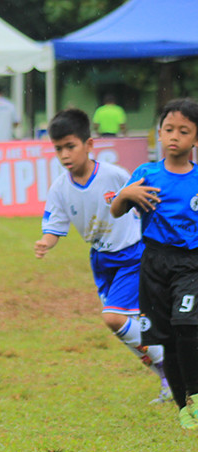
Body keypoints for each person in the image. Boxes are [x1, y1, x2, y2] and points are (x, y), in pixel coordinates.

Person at [35, 108, 170, 403]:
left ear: (89, 145)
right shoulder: (60, 188)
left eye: (70, 146)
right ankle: (167, 379)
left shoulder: (114, 175)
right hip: (101, 259)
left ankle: (173, 362)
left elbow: (145, 201)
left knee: (113, 319)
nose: (65, 155)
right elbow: (55, 225)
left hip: (132, 254)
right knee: (128, 329)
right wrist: (46, 242)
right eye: (58, 149)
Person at [110, 98, 198, 429]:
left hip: (190, 262)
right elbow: (116, 211)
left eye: (184, 131)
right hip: (154, 261)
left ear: (196, 139)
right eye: (168, 129)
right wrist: (125, 196)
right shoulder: (145, 175)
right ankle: (183, 407)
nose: (175, 136)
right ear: (158, 134)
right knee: (166, 338)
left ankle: (196, 392)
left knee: (187, 324)